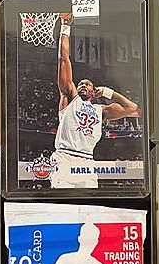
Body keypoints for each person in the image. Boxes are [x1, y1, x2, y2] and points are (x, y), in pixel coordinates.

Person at [51, 13, 139, 188]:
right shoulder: (70, 97)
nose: (83, 85)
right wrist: (65, 27)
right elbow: (64, 58)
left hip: (87, 162)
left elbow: (132, 108)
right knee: (63, 203)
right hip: (65, 157)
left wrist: (109, 92)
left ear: (94, 91)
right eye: (80, 84)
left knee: (89, 205)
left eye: (87, 84)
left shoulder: (101, 110)